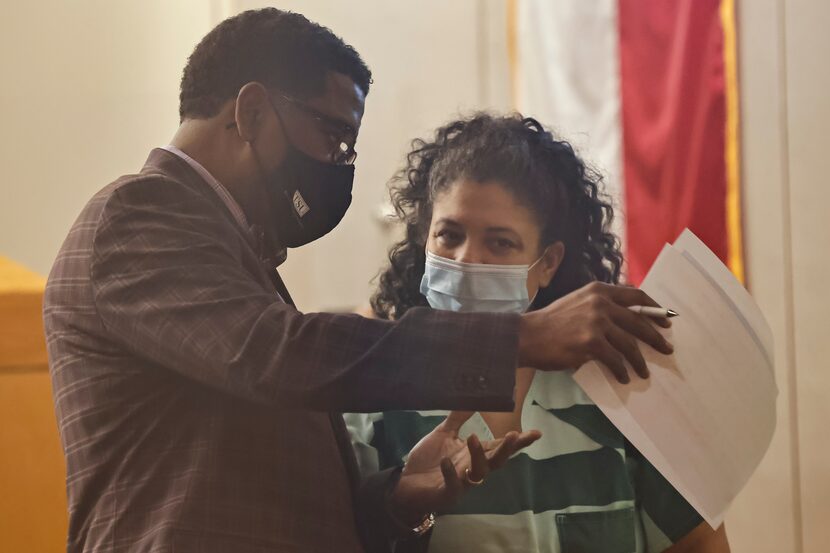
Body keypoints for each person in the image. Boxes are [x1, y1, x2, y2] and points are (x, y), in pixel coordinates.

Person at [43, 9, 674, 553]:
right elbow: (280, 355)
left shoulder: (234, 251)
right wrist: (518, 339)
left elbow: (277, 492)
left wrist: (397, 500)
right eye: (334, 136)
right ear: (253, 112)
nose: (342, 165)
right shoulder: (141, 215)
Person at [347, 113, 731, 552]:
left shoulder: (619, 389)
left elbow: (700, 544)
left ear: (547, 263)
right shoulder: (374, 399)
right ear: (423, 241)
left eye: (500, 242)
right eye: (449, 235)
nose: (468, 260)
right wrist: (402, 508)